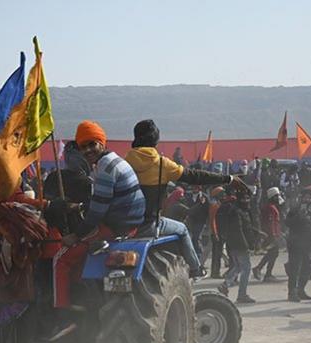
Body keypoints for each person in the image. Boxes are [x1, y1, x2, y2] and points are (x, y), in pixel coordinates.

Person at [53, 120, 145, 310]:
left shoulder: (105, 168)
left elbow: (96, 213)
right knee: (81, 257)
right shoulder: (115, 160)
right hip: (128, 221)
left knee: (60, 259)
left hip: (114, 226)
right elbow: (103, 200)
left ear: (102, 143)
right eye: (83, 147)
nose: (87, 150)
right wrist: (80, 207)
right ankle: (84, 299)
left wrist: (74, 235)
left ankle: (61, 313)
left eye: (92, 144)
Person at [123, 119, 229, 279]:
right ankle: (196, 269)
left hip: (126, 226)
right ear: (155, 140)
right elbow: (194, 176)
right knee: (182, 229)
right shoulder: (162, 164)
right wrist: (226, 178)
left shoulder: (124, 162)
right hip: (149, 225)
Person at [216, 179, 258, 303]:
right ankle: (242, 294)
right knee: (246, 268)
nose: (246, 201)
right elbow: (238, 230)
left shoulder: (240, 210)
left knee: (238, 267)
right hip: (239, 245)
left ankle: (225, 285)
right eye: (244, 199)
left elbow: (246, 227)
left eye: (247, 198)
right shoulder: (236, 212)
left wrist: (256, 233)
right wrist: (246, 245)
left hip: (234, 244)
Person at [285, 185, 311, 302]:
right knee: (295, 269)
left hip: (309, 244)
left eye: (310, 197)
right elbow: (288, 223)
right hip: (295, 244)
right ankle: (292, 292)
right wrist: (299, 215)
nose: (308, 199)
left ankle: (301, 290)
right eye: (306, 197)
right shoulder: (295, 209)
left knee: (307, 269)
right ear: (302, 197)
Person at [252, 186, 284, 282]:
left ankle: (262, 270)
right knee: (273, 253)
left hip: (273, 234)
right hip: (271, 235)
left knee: (273, 253)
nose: (278, 198)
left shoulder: (272, 207)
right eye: (276, 196)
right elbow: (270, 223)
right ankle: (265, 272)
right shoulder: (270, 208)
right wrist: (274, 235)